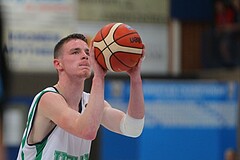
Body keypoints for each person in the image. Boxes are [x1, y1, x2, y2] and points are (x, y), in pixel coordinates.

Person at [16, 33, 145, 160]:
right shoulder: (48, 99)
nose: (84, 56)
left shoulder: (91, 102)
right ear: (58, 64)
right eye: (75, 52)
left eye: (88, 53)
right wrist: (99, 77)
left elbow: (133, 128)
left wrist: (135, 78)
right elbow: (87, 131)